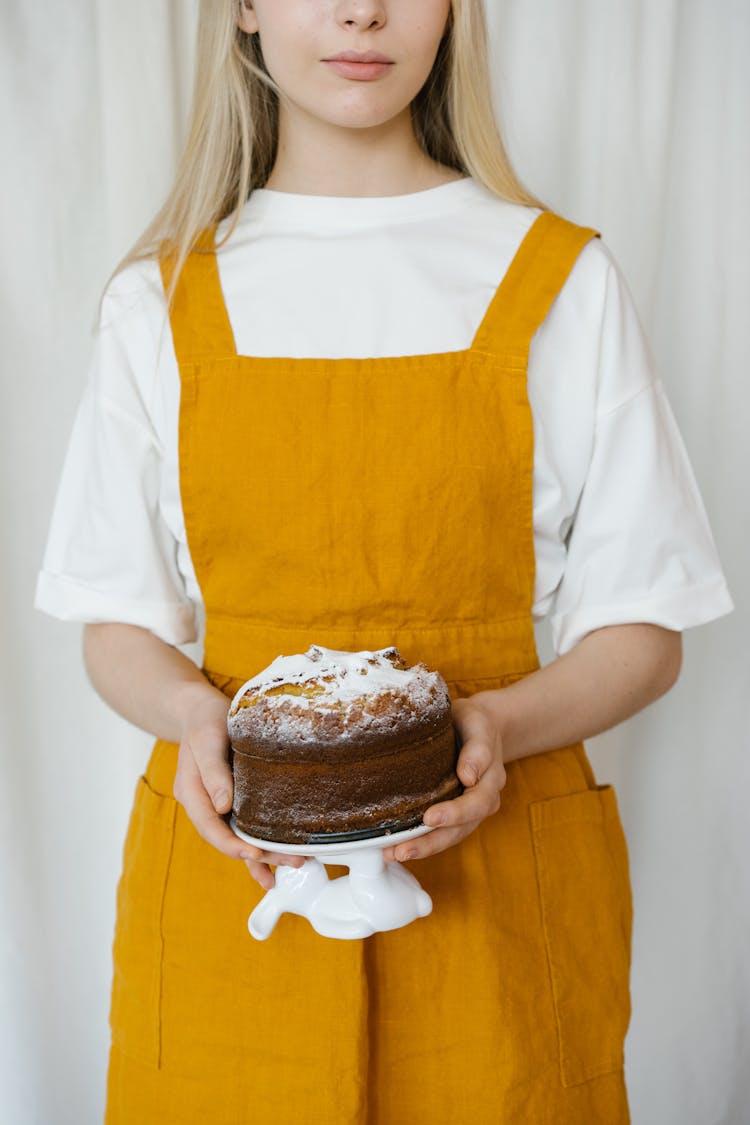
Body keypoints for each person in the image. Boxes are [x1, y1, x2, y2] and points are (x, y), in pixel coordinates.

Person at [36, 1, 732, 1122]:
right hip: (238, 887)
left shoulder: (562, 278)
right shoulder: (159, 296)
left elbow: (645, 637)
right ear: (248, 9)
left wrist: (497, 726)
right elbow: (116, 626)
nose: (363, 10)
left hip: (502, 902)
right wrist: (190, 719)